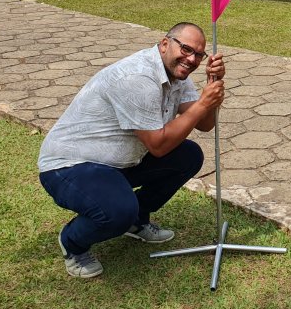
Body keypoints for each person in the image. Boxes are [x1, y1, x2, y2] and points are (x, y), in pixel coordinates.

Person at [37, 22, 225, 278]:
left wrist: (213, 84)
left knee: (188, 156)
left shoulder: (176, 74)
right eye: (186, 49)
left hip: (118, 161)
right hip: (71, 165)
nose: (191, 59)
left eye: (199, 55)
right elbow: (158, 145)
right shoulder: (138, 78)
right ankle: (72, 242)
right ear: (165, 44)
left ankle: (136, 221)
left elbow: (204, 124)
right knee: (117, 211)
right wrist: (203, 103)